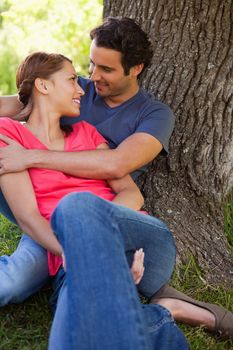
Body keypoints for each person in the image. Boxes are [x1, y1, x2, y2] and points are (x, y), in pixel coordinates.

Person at [0, 17, 232, 338]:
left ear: (135, 68)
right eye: (91, 65)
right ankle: (157, 305)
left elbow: (117, 165)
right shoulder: (72, 92)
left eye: (106, 70)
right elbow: (21, 103)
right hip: (50, 215)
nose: (92, 78)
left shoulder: (153, 115)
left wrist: (33, 156)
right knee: (26, 284)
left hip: (111, 213)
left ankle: (151, 302)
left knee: (80, 287)